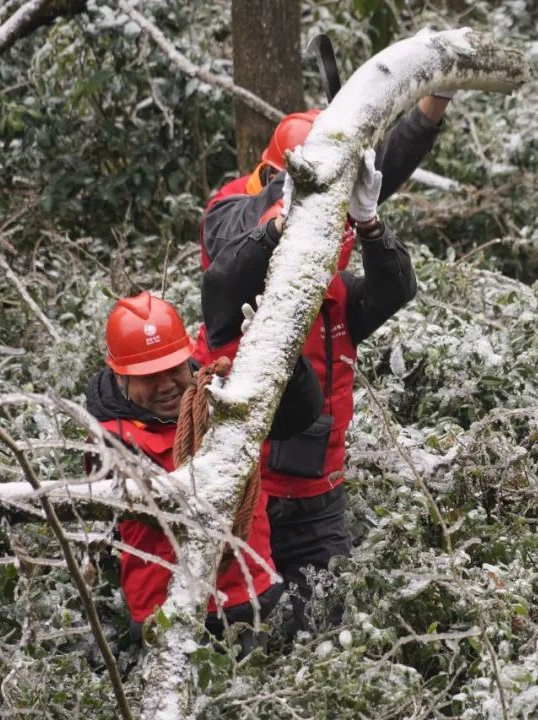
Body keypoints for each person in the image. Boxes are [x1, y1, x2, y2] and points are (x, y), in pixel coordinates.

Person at [192, 95, 450, 632]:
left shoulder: (340, 298)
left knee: (326, 632)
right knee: (249, 635)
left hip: (318, 500)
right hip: (249, 491)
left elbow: (396, 282)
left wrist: (425, 116)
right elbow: (225, 270)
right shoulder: (232, 233)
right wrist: (280, 218)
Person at [84, 291, 322, 654]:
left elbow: (298, 415)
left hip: (254, 593)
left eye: (173, 369)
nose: (165, 386)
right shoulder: (110, 440)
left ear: (188, 358)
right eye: (149, 376)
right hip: (166, 613)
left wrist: (283, 356)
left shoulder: (222, 391)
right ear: (121, 377)